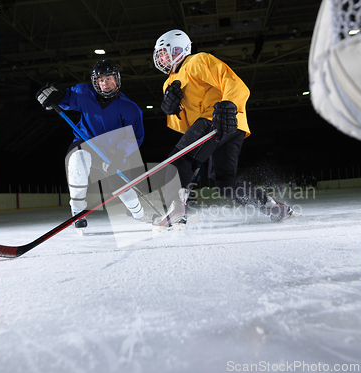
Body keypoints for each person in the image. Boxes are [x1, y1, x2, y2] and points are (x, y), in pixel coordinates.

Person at [151, 29, 295, 232]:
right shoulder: (169, 82)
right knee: (225, 182)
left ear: (178, 49)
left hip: (218, 119)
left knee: (179, 159)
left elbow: (234, 83)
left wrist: (228, 105)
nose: (161, 57)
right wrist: (173, 111)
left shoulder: (197, 61)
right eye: (160, 54)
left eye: (165, 52)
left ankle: (176, 212)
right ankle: (273, 207)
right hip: (229, 127)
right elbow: (186, 127)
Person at [36, 60, 155, 230]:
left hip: (111, 150)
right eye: (100, 80)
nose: (105, 84)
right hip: (85, 141)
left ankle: (139, 214)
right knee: (77, 163)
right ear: (95, 82)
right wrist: (55, 97)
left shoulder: (130, 109)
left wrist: (119, 154)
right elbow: (67, 98)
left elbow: (134, 137)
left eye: (109, 79)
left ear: (117, 79)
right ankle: (77, 213)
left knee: (120, 183)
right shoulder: (84, 92)